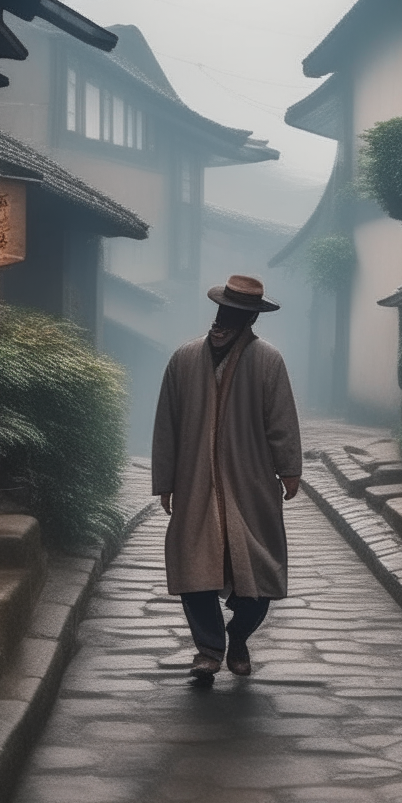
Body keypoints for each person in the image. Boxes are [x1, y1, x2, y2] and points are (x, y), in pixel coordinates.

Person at [152, 274, 302, 681]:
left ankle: (237, 636)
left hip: (250, 484)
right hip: (195, 483)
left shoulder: (267, 360)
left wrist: (289, 469)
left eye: (234, 318)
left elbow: (282, 421)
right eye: (221, 315)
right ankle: (209, 649)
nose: (222, 325)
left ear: (250, 321)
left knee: (260, 578)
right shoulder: (184, 360)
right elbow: (167, 422)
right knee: (193, 570)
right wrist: (164, 479)